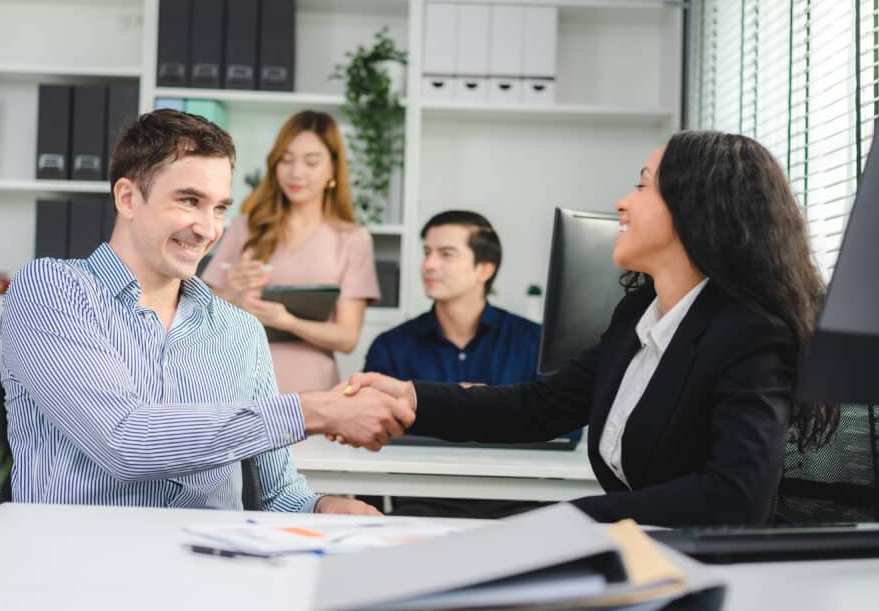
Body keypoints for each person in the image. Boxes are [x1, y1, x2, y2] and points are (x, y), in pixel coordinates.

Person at [344, 130, 837, 527]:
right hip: (642, 556)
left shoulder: (751, 333)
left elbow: (735, 497)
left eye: (643, 185)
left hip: (711, 572)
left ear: (696, 210)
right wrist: (410, 398)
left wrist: (567, 521)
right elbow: (539, 407)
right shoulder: (638, 317)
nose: (622, 202)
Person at [0, 109, 413, 514]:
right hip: (81, 567)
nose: (208, 229)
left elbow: (277, 495)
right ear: (127, 198)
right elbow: (123, 442)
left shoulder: (241, 332)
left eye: (218, 208)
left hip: (213, 565)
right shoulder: (51, 291)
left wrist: (324, 507)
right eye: (189, 201)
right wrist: (316, 410)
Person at [363, 210, 545, 518]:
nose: (429, 265)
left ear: (484, 269)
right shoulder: (391, 345)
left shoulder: (534, 342)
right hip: (421, 503)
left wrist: (448, 405)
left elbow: (563, 426)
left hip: (518, 501)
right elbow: (368, 422)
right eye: (427, 253)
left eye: (446, 254)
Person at [203, 110, 380, 394]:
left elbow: (347, 337)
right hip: (241, 379)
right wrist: (231, 291)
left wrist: (290, 322)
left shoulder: (352, 239)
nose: (296, 172)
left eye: (311, 162)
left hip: (312, 387)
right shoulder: (244, 227)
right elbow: (200, 316)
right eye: (286, 159)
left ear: (333, 169)